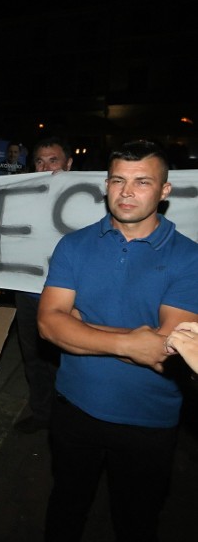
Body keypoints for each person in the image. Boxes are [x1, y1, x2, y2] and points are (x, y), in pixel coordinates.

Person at [37, 139, 198, 540]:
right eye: (117, 180)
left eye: (142, 182)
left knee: (136, 520)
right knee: (65, 509)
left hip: (149, 420)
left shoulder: (189, 258)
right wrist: (131, 342)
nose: (126, 192)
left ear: (164, 191)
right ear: (105, 185)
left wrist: (83, 325)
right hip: (74, 407)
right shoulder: (73, 244)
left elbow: (166, 349)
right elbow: (49, 326)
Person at [12, 136, 73, 434]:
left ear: (69, 164)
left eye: (53, 160)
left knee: (66, 358)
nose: (46, 167)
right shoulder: (24, 196)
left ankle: (67, 418)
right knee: (33, 357)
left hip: (68, 296)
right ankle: (41, 412)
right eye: (39, 161)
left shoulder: (84, 199)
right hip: (27, 291)